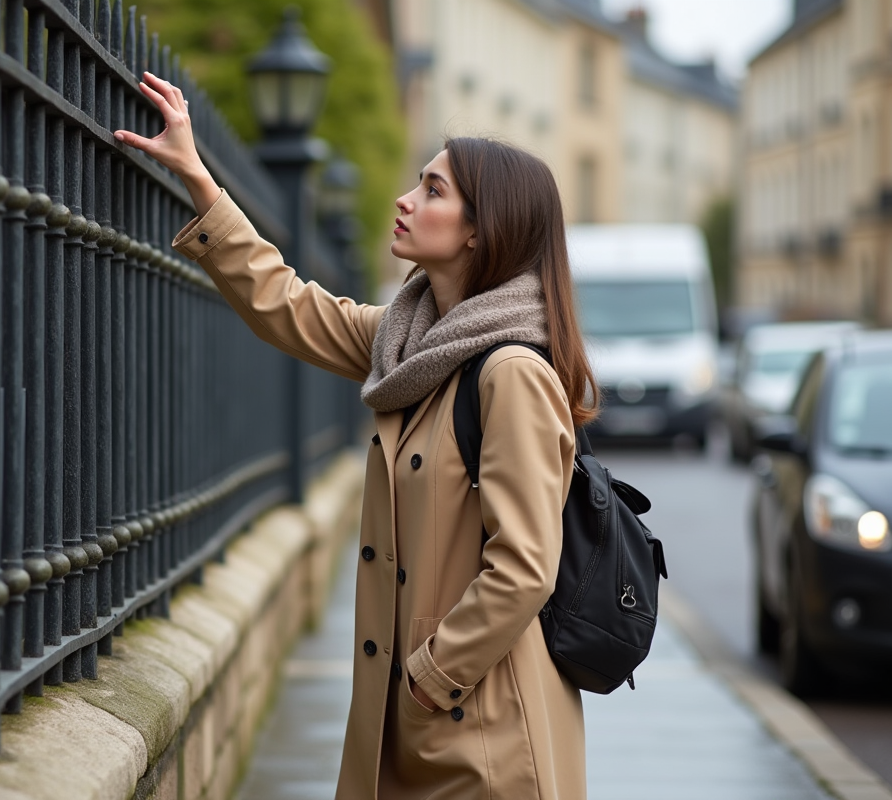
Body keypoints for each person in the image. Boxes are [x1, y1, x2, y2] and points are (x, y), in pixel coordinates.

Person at [116, 71, 598, 800]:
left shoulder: (510, 373)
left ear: (480, 230)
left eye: (434, 190)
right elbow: (288, 305)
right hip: (420, 726)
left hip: (485, 740)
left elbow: (525, 568)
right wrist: (198, 177)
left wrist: (429, 677)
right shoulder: (413, 341)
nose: (406, 200)